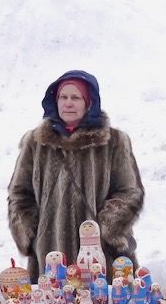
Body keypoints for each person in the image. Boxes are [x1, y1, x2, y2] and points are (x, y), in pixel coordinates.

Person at [7, 70, 144, 280]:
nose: (68, 103)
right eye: (63, 97)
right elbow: (19, 193)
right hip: (50, 257)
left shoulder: (114, 142)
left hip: (101, 258)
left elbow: (129, 191)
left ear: (89, 103)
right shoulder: (35, 143)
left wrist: (106, 229)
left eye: (75, 97)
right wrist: (31, 233)